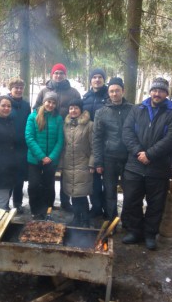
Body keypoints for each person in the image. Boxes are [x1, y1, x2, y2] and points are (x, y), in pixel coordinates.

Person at [121, 77, 172, 250]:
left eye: (161, 91)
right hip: (134, 166)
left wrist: (150, 155)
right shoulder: (137, 109)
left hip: (158, 167)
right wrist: (138, 152)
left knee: (155, 204)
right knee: (132, 201)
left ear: (166, 93)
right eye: (154, 90)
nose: (157, 94)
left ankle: (150, 234)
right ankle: (135, 231)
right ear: (150, 91)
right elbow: (127, 132)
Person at [34, 63, 81, 212]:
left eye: (61, 73)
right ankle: (46, 202)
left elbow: (79, 108)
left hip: (68, 132)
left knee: (66, 169)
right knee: (48, 171)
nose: (58, 75)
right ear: (51, 74)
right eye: (56, 73)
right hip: (48, 134)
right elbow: (36, 108)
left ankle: (66, 201)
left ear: (65, 75)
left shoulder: (73, 92)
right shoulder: (44, 91)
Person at [92, 77, 133, 223]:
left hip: (129, 158)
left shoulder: (132, 110)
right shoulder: (101, 112)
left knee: (130, 192)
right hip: (109, 157)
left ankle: (128, 221)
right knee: (109, 192)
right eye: (111, 91)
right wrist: (98, 162)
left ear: (123, 91)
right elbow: (97, 138)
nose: (114, 94)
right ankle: (111, 220)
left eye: (117, 91)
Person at [26, 91, 64, 219]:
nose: (51, 104)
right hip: (34, 159)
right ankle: (35, 210)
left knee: (49, 185)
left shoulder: (58, 119)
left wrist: (51, 157)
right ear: (44, 102)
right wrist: (42, 156)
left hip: (51, 160)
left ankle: (47, 210)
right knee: (34, 185)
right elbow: (29, 137)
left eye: (53, 102)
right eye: (48, 101)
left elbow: (60, 140)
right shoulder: (33, 116)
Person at [60, 99, 94, 227]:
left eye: (76, 108)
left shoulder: (89, 125)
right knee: (73, 194)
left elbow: (94, 146)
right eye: (71, 108)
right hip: (69, 164)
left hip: (83, 164)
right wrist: (61, 165)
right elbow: (63, 146)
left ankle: (85, 219)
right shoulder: (66, 125)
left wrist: (92, 163)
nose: (73, 111)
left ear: (81, 110)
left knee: (81, 194)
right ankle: (76, 217)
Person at [82, 68, 109, 219]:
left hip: (106, 141)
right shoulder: (85, 97)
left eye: (100, 77)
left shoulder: (108, 96)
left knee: (107, 180)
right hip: (89, 143)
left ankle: (107, 208)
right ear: (90, 80)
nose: (97, 80)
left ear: (104, 80)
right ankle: (96, 206)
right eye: (94, 77)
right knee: (93, 179)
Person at [5, 78, 31, 213]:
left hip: (22, 146)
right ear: (11, 89)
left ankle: (17, 202)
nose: (19, 90)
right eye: (16, 87)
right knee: (8, 176)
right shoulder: (4, 102)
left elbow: (29, 123)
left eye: (21, 87)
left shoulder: (26, 105)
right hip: (8, 146)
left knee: (19, 177)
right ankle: (4, 203)